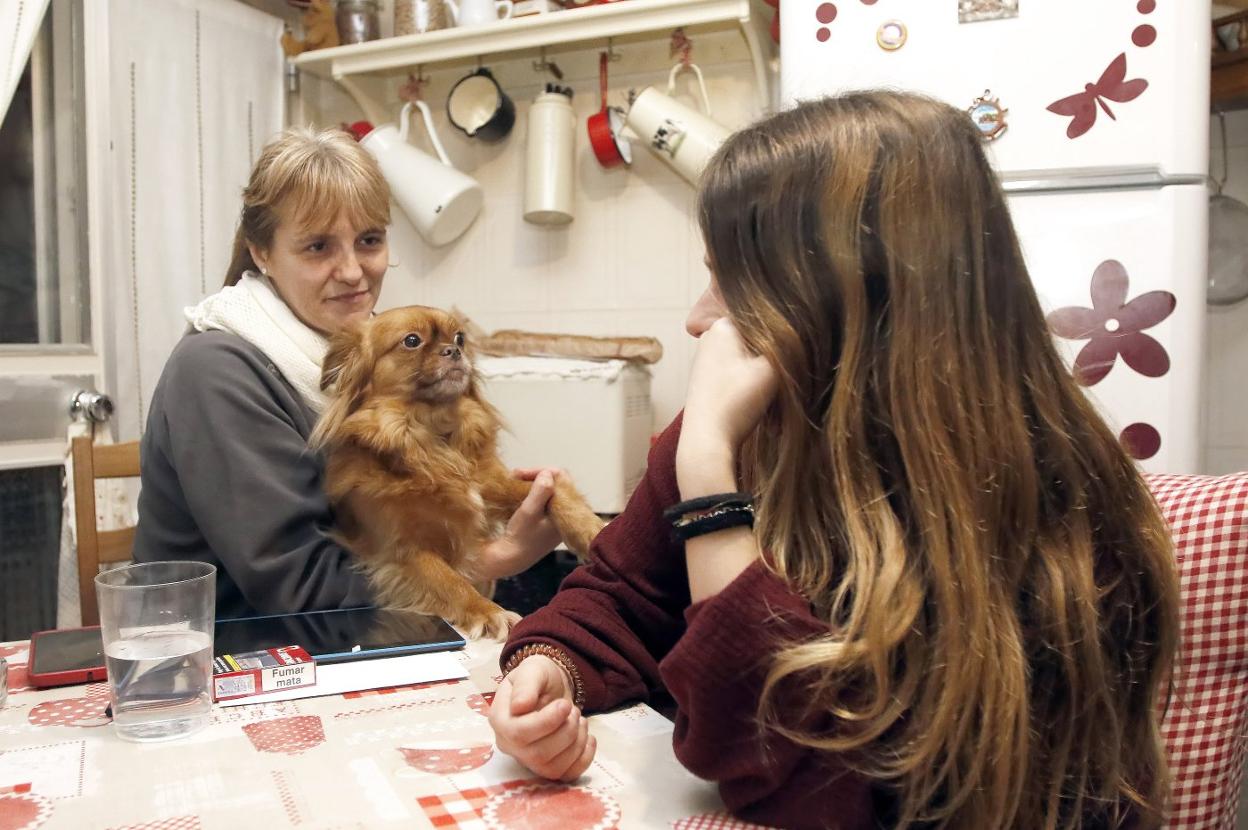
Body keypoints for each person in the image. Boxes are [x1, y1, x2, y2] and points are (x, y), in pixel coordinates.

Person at [487, 92, 1181, 829]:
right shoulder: (760, 429)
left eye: (731, 284)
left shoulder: (1068, 517)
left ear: (846, 302)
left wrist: (711, 491)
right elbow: (621, 594)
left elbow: (806, 790)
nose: (697, 319)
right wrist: (549, 668)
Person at [133, 127, 563, 619]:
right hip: (230, 661)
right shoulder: (214, 373)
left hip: (343, 642)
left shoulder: (372, 360)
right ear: (262, 252)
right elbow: (301, 589)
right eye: (318, 247)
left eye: (369, 240)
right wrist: (497, 558)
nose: (354, 272)